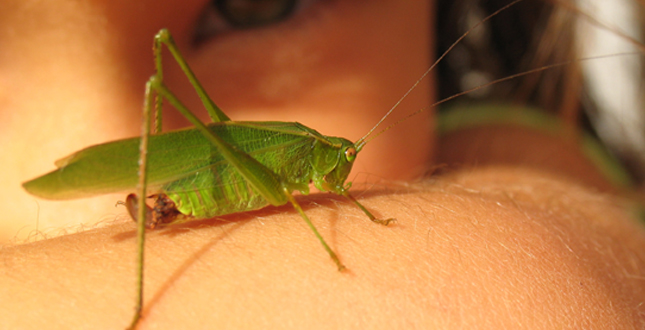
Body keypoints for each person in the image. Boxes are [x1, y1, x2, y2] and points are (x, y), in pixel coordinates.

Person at [2, 0, 644, 328]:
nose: (343, 171)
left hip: (214, 178)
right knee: (205, 118)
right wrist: (333, 250)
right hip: (201, 184)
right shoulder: (307, 152)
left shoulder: (527, 154)